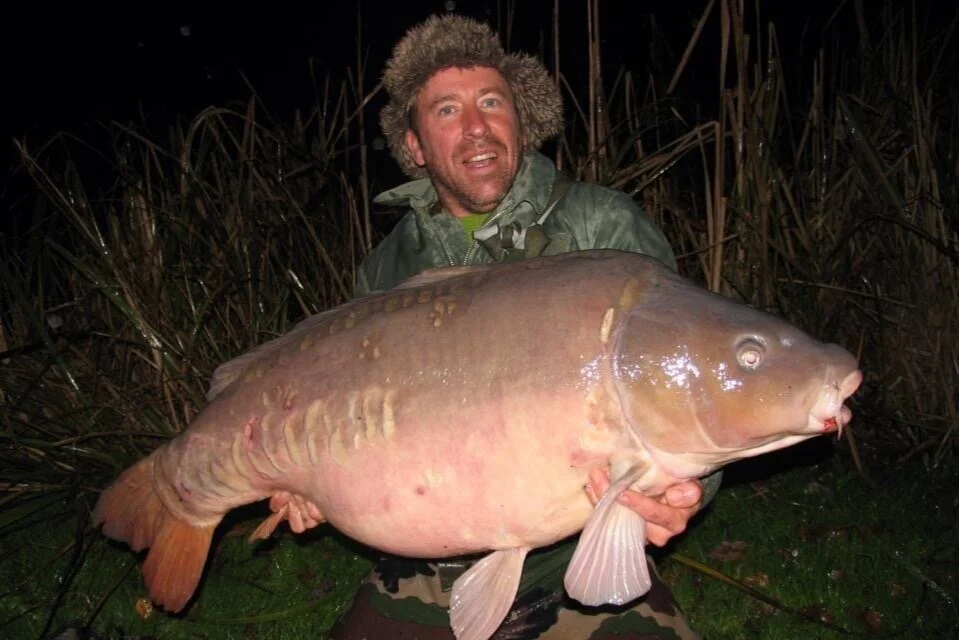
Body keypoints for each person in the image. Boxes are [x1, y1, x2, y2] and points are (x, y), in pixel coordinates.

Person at [330, 14, 721, 640]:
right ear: (415, 145)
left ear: (520, 118)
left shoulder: (600, 226)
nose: (476, 127)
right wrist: (310, 481)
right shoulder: (387, 268)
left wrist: (686, 491)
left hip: (572, 547)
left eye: (491, 102)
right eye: (447, 110)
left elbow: (688, 379)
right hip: (427, 559)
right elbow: (352, 422)